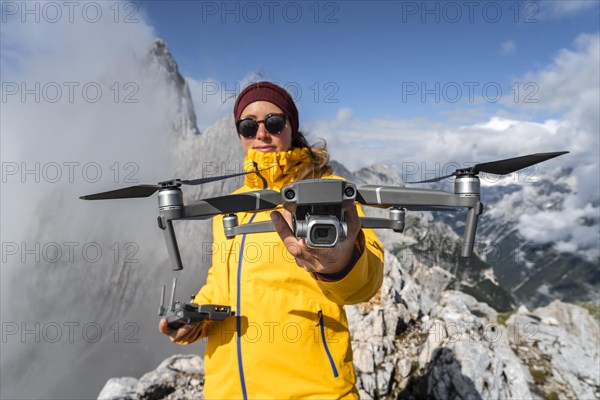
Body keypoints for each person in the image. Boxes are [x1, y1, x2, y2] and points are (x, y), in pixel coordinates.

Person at [159, 81, 384, 399]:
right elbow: (220, 285)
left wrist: (339, 265)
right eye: (248, 126)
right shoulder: (230, 207)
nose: (261, 134)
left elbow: (367, 282)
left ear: (292, 128)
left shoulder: (327, 190)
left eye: (274, 123)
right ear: (239, 134)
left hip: (312, 391)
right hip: (226, 391)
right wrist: (197, 319)